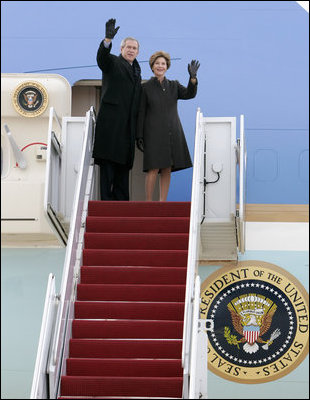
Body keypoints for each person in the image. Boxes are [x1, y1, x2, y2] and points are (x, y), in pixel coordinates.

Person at [136, 51, 200, 201]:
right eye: (157, 63)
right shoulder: (145, 88)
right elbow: (141, 112)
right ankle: (149, 202)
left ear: (167, 67)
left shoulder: (174, 85)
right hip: (152, 133)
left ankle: (162, 202)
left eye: (163, 64)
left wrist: (193, 79)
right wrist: (139, 135)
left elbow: (189, 94)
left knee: (167, 168)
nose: (160, 66)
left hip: (172, 131)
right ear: (152, 66)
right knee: (153, 168)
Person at [93, 18, 141, 200]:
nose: (131, 50)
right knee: (108, 166)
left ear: (137, 52)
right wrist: (107, 40)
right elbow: (101, 59)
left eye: (134, 48)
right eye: (128, 47)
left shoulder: (137, 70)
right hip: (111, 124)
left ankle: (121, 203)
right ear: (121, 49)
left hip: (127, 127)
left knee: (123, 166)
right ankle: (106, 203)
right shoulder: (112, 62)